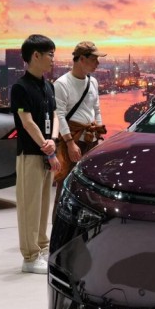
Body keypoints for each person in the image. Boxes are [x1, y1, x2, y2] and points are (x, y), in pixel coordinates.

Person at [11, 34, 59, 274]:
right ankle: (29, 257)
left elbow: (56, 115)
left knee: (42, 206)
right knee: (29, 206)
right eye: (50, 54)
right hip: (30, 154)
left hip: (46, 153)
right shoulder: (21, 87)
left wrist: (54, 141)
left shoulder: (48, 85)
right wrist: (45, 144)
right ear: (35, 56)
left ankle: (42, 248)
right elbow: (26, 121)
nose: (53, 59)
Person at [53, 41, 106, 215]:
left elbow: (96, 109)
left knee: (89, 185)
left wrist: (99, 137)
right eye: (94, 59)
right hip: (73, 139)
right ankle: (58, 224)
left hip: (90, 139)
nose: (97, 63)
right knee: (65, 183)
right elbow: (59, 115)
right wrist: (69, 143)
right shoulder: (62, 83)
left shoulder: (93, 82)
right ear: (81, 59)